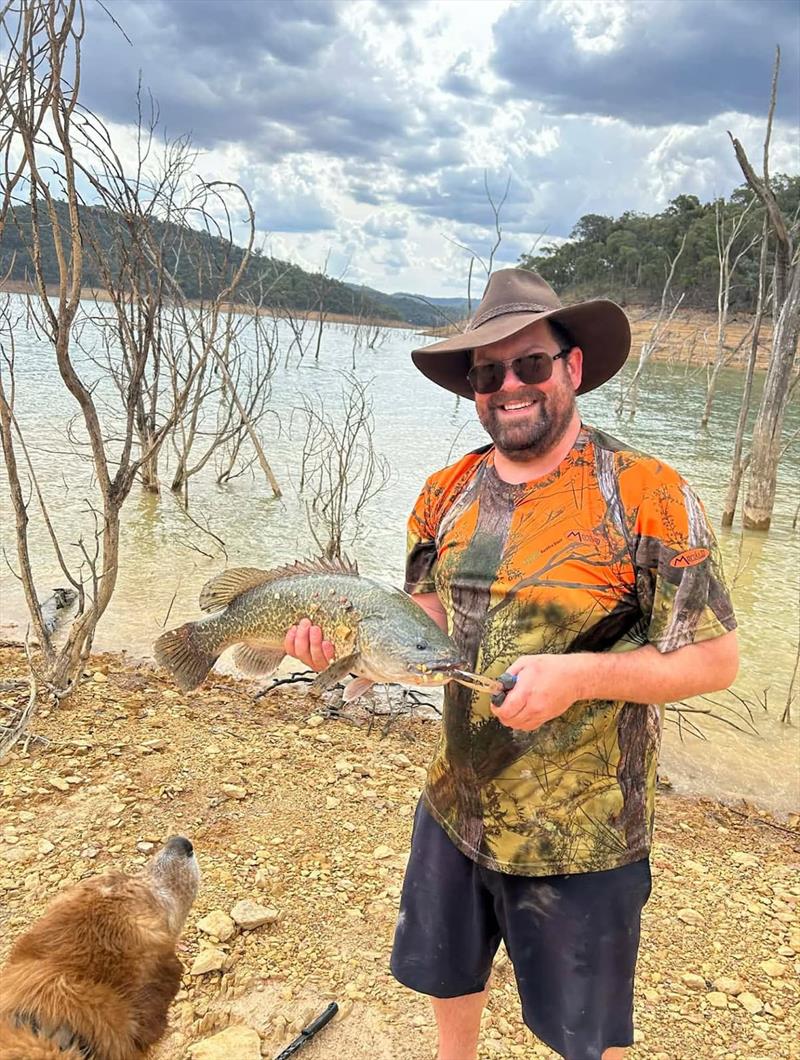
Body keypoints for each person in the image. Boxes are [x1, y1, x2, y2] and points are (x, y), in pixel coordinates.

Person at [284, 268, 739, 1060]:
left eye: (530, 364)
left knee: (587, 1037)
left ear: (574, 368)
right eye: (487, 373)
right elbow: (426, 613)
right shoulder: (448, 490)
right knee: (448, 976)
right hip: (454, 802)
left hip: (583, 837)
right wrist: (348, 646)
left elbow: (716, 658)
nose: (509, 387)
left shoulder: (648, 495)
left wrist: (583, 677)